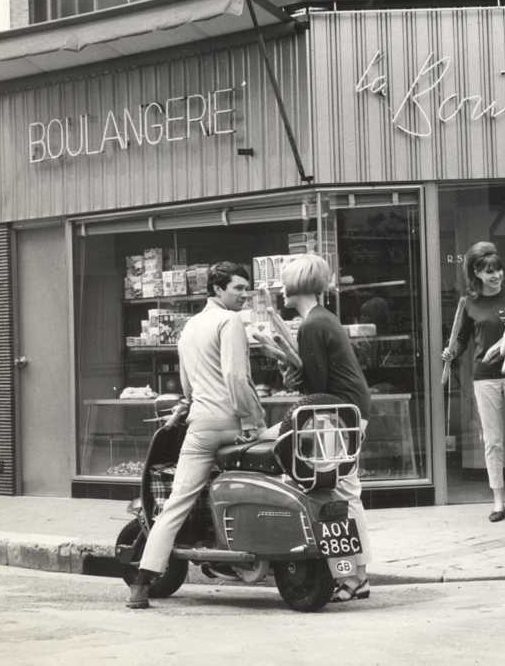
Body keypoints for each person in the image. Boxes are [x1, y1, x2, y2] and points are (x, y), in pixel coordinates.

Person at [127, 262, 267, 609]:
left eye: (245, 288)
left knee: (176, 502)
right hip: (232, 422)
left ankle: (141, 584)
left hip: (201, 426)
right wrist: (253, 420)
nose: (243, 294)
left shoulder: (190, 326)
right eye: (237, 288)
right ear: (217, 289)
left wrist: (182, 410)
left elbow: (187, 385)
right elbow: (236, 376)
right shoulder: (229, 321)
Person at [279, 254, 374, 602]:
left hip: (338, 416)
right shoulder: (323, 319)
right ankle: (355, 575)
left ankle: (354, 577)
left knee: (341, 495)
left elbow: (316, 389)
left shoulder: (310, 326)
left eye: (284, 282)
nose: (280, 289)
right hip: (348, 412)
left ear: (295, 286)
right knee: (345, 493)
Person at [441, 241, 505, 523]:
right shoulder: (469, 303)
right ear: (476, 272)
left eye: (498, 270)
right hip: (484, 377)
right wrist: (451, 352)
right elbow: (462, 340)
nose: (496, 275)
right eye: (489, 271)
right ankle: (498, 502)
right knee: (493, 441)